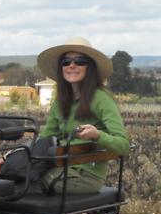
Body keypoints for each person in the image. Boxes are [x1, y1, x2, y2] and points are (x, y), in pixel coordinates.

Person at [34, 36, 129, 193]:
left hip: (85, 176)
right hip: (58, 168)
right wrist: (16, 155)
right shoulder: (61, 101)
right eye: (66, 61)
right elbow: (46, 137)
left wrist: (97, 135)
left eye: (79, 61)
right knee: (12, 180)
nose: (72, 65)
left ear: (89, 67)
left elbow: (123, 145)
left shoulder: (101, 99)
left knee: (22, 188)